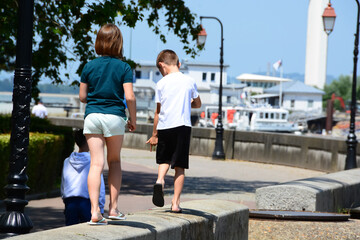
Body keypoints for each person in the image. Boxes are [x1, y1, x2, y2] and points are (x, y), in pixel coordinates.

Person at [79, 23, 136, 225]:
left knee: (96, 163)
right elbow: (129, 97)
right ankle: (113, 209)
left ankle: (95, 211)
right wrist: (133, 119)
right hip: (114, 117)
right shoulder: (124, 67)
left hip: (93, 116)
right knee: (114, 162)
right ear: (118, 43)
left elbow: (82, 96)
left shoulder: (89, 66)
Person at [146, 49, 201, 213]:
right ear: (179, 63)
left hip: (164, 127)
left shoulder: (161, 84)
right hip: (182, 126)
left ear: (162, 65)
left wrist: (154, 134)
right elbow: (198, 103)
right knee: (179, 166)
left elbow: (158, 111)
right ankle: (175, 203)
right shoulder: (189, 81)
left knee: (164, 160)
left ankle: (160, 180)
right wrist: (187, 102)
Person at [61, 129, 106, 226]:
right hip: (87, 202)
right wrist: (100, 207)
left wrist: (64, 199)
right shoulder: (94, 162)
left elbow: (63, 183)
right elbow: (100, 185)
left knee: (70, 232)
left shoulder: (67, 161)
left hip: (70, 201)